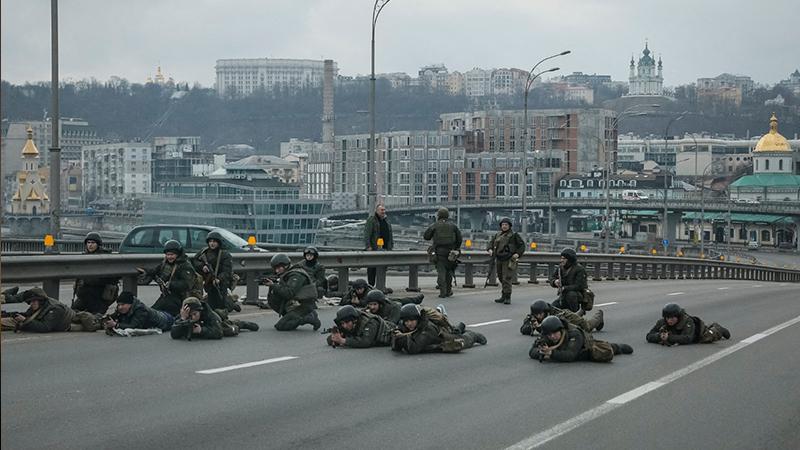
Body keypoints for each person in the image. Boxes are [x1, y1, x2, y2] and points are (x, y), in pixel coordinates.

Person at [137, 240, 200, 317]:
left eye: (172, 254)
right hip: (167, 296)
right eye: (167, 254)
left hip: (179, 299)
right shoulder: (165, 263)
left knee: (154, 314)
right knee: (151, 312)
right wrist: (146, 271)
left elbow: (187, 285)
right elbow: (156, 270)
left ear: (178, 254)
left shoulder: (185, 266)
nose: (169, 257)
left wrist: (171, 285)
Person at [529, 316, 632, 363]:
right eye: (549, 335)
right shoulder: (546, 335)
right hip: (562, 350)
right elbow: (532, 351)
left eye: (554, 333)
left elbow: (570, 355)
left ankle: (618, 347)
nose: (552, 337)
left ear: (561, 329)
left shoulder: (574, 334)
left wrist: (551, 353)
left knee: (601, 351)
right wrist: (541, 352)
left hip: (585, 347)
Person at [391, 304, 486, 354]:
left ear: (418, 319)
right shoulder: (405, 326)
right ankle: (458, 328)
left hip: (442, 336)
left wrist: (401, 338)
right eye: (406, 321)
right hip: (432, 338)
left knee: (462, 341)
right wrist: (396, 334)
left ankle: (474, 335)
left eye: (412, 320)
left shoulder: (427, 329)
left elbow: (414, 348)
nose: (409, 324)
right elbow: (395, 347)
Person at [263, 253, 321, 331]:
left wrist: (273, 285)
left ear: (285, 265)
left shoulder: (296, 275)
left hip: (304, 305)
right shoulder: (287, 274)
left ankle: (309, 317)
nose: (277, 271)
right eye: (275, 268)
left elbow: (289, 293)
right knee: (287, 323)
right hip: (295, 304)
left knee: (281, 326)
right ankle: (294, 316)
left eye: (278, 268)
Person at [72, 232, 120, 314]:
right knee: (72, 314)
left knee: (94, 320)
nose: (90, 245)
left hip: (99, 297)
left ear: (98, 244)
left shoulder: (105, 257)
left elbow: (112, 277)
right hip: (85, 296)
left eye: (93, 243)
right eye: (88, 242)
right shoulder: (84, 257)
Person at [192, 230, 239, 313]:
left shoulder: (224, 254)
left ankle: (231, 304)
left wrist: (219, 279)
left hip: (220, 282)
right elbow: (194, 261)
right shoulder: (204, 252)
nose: (212, 244)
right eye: (210, 241)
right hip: (208, 281)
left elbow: (227, 271)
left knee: (221, 304)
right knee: (211, 305)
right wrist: (202, 266)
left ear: (218, 242)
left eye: (214, 241)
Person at [170, 297, 258, 340]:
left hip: (217, 320)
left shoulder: (208, 314)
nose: (192, 317)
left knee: (229, 328)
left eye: (194, 314)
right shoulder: (184, 315)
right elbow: (174, 334)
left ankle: (242, 323)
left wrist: (202, 330)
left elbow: (218, 333)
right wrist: (182, 319)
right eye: (189, 314)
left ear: (200, 311)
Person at [646, 303, 730, 346]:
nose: (669, 320)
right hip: (679, 335)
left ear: (678, 317)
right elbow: (649, 335)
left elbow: (688, 338)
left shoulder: (687, 321)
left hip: (699, 334)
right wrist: (659, 336)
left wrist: (669, 337)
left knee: (708, 337)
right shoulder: (662, 322)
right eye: (667, 318)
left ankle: (719, 329)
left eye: (672, 318)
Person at [423, 207, 463, 298]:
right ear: (447, 215)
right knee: (449, 272)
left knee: (441, 271)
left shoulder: (435, 225)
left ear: (439, 216)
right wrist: (456, 249)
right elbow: (459, 239)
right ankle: (448, 291)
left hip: (439, 253)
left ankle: (443, 292)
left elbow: (426, 236)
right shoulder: (453, 226)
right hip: (451, 254)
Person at [1, 288, 74, 333]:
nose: (31, 304)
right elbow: (28, 315)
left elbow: (45, 327)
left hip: (70, 324)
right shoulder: (39, 305)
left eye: (33, 301)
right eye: (30, 302)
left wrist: (25, 320)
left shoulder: (55, 309)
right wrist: (13, 315)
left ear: (40, 300)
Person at [487, 217, 525, 304]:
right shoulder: (498, 235)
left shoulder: (514, 235)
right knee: (501, 277)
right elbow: (490, 243)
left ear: (509, 226)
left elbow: (522, 246)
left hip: (508, 259)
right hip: (499, 258)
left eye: (506, 225)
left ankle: (508, 297)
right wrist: (490, 249)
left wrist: (517, 254)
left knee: (506, 278)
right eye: (503, 224)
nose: (504, 226)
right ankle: (503, 295)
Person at [326, 305, 396, 348]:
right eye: (342, 323)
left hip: (390, 333)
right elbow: (330, 340)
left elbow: (366, 341)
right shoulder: (346, 325)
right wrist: (335, 336)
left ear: (354, 320)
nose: (344, 325)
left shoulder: (370, 322)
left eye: (347, 322)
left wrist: (343, 340)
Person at [520, 300, 604, 336]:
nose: (538, 316)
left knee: (587, 326)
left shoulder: (556, 316)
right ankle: (580, 312)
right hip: (565, 315)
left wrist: (540, 326)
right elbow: (523, 329)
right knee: (577, 315)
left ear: (545, 311)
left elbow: (563, 326)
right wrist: (531, 326)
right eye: (536, 314)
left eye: (540, 314)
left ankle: (599, 314)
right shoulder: (533, 317)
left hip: (567, 316)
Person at [102, 291, 174, 332]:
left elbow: (134, 326)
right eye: (119, 305)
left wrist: (116, 325)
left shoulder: (140, 310)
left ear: (130, 304)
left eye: (123, 304)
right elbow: (115, 316)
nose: (120, 307)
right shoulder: (121, 309)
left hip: (166, 321)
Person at [548, 248, 588, 312]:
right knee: (552, 308)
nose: (562, 260)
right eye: (561, 258)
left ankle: (575, 314)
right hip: (563, 296)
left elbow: (579, 286)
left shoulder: (579, 269)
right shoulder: (560, 268)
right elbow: (552, 278)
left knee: (571, 295)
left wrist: (564, 288)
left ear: (570, 259)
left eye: (564, 258)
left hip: (576, 295)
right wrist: (555, 282)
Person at [364, 204, 393, 288]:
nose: (383, 212)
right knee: (372, 268)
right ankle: (371, 286)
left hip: (385, 248)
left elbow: (390, 234)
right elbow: (367, 234)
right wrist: (368, 246)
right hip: (374, 248)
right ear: (377, 211)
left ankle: (381, 286)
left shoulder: (386, 220)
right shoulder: (372, 220)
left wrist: (390, 246)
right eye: (381, 210)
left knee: (382, 268)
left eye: (384, 210)